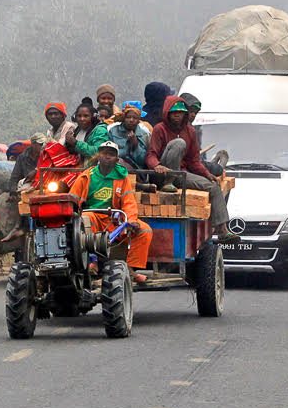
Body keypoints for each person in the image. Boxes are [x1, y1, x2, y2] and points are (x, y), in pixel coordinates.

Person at [145, 96, 239, 243]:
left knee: (213, 187)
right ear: (167, 113)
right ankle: (169, 182)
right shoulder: (160, 129)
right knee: (179, 144)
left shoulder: (190, 131)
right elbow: (151, 155)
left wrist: (207, 174)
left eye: (180, 112)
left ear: (185, 114)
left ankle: (222, 230)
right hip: (163, 175)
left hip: (181, 174)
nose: (177, 115)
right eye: (174, 112)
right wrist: (157, 166)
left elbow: (193, 161)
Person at [69, 141, 153, 284]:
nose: (107, 157)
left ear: (117, 159)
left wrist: (131, 220)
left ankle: (130, 268)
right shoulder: (86, 176)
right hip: (92, 217)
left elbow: (129, 202)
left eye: (111, 154)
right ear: (98, 156)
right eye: (104, 153)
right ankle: (92, 263)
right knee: (86, 219)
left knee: (145, 231)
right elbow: (72, 200)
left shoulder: (121, 177)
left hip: (114, 219)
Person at [0, 133, 48, 242]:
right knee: (22, 195)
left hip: (46, 184)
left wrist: (36, 171)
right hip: (29, 186)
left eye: (43, 144)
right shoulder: (22, 157)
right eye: (40, 144)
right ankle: (19, 227)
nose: (42, 146)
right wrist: (12, 193)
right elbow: (14, 177)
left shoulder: (46, 153)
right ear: (33, 144)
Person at [180, 92, 228, 176]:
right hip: (184, 169)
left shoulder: (191, 129)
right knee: (215, 172)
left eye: (195, 113)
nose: (193, 115)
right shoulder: (174, 128)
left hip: (191, 165)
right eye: (190, 111)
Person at [108, 101, 151, 170]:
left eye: (135, 118)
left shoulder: (144, 134)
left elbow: (142, 161)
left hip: (136, 170)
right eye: (128, 117)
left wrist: (135, 144)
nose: (131, 120)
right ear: (123, 118)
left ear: (138, 120)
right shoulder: (113, 131)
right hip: (115, 166)